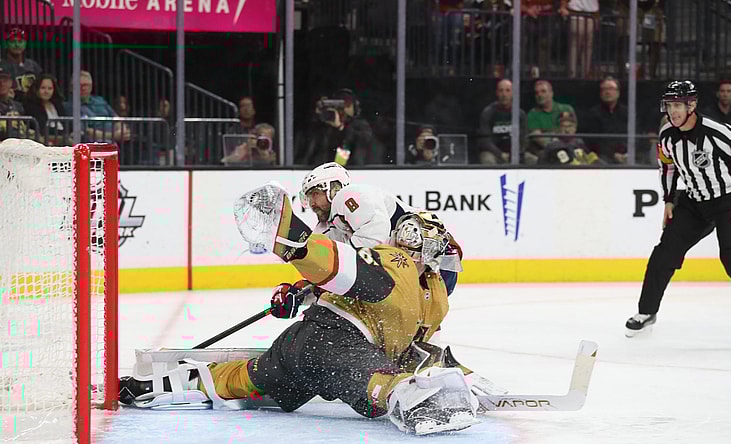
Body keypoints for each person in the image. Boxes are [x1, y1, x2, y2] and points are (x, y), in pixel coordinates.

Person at [118, 184, 480, 435]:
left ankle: (158, 384)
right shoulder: (395, 261)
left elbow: (415, 349)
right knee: (370, 375)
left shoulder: (433, 297)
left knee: (248, 380)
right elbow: (350, 271)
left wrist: (464, 378)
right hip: (333, 341)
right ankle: (409, 398)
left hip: (302, 348)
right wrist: (299, 245)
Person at [625, 80, 731, 346]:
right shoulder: (667, 135)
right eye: (669, 105)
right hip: (695, 202)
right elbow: (667, 166)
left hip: (728, 201)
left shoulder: (716, 131)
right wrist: (668, 200)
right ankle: (647, 312)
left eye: (678, 105)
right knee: (664, 252)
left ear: (692, 105)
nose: (672, 111)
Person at [299, 162, 463, 295]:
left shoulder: (349, 195)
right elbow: (325, 270)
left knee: (409, 231)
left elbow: (375, 237)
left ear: (334, 188)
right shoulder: (325, 229)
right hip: (406, 287)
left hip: (439, 272)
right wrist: (302, 292)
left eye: (315, 194)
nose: (312, 203)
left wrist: (342, 264)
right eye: (308, 197)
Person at [477, 78, 530, 164]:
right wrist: (500, 154)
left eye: (507, 91)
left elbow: (524, 139)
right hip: (493, 153)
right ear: (497, 93)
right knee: (487, 160)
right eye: (501, 91)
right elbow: (485, 140)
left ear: (513, 93)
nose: (504, 94)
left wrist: (516, 153)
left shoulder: (520, 114)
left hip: (515, 153)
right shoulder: (488, 112)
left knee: (532, 160)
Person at [0, 28, 42, 101]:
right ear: (6, 44)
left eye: (20, 41)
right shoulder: (0, 66)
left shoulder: (33, 65)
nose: (17, 45)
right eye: (12, 41)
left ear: (25, 44)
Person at [22, 74, 67, 144]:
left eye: (50, 88)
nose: (46, 91)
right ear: (36, 89)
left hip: (62, 136)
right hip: (45, 139)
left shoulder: (57, 104)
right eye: (43, 88)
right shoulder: (31, 106)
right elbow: (41, 128)